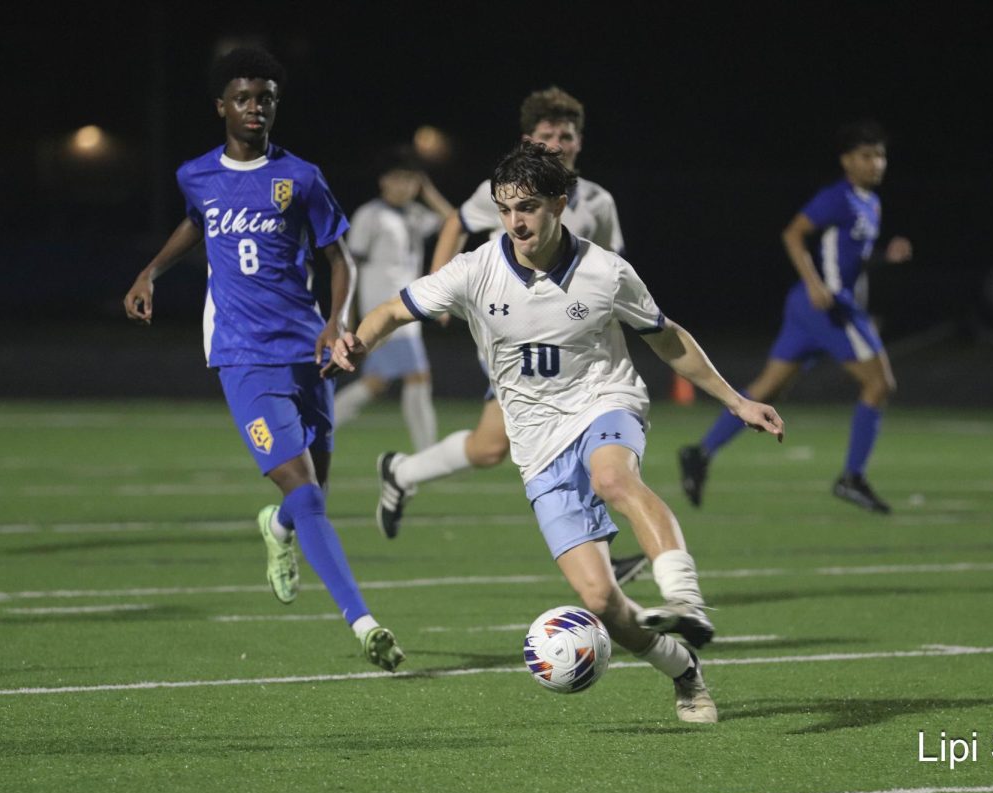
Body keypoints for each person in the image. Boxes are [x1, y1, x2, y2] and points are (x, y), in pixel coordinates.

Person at [329, 141, 785, 723]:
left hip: (604, 403)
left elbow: (666, 338)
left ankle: (686, 598)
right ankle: (683, 670)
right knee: (600, 601)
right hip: (536, 442)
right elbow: (393, 309)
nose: (516, 221)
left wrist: (737, 400)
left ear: (559, 205)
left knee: (613, 475)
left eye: (529, 208)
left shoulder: (605, 272)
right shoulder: (475, 271)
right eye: (505, 208)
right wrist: (359, 341)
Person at [121, 47, 404, 672]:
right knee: (305, 490)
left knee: (311, 501)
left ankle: (277, 530)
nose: (255, 108)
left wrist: (336, 324)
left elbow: (339, 259)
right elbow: (197, 222)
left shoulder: (300, 177)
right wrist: (152, 271)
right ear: (221, 105)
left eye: (266, 98)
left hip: (306, 350)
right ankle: (364, 623)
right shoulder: (195, 174)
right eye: (244, 98)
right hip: (242, 356)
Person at [373, 86, 645, 583]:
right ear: (529, 139)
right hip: (516, 337)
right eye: (548, 135)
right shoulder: (508, 190)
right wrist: (438, 288)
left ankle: (402, 472)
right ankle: (599, 561)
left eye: (567, 135)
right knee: (567, 433)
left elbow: (609, 271)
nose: (558, 143)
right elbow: (456, 221)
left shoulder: (599, 202)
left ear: (580, 140)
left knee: (489, 447)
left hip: (573, 347)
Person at [678, 120, 912, 513]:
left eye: (880, 155)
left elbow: (851, 256)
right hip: (828, 306)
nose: (876, 163)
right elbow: (793, 233)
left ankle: (700, 453)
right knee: (879, 383)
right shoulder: (838, 197)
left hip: (807, 306)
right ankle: (851, 477)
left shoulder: (871, 203)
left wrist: (885, 256)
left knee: (766, 389)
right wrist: (816, 283)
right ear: (847, 160)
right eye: (867, 156)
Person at [332, 146, 454, 450]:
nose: (405, 186)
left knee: (376, 384)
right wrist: (350, 315)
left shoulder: (415, 214)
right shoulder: (370, 215)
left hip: (409, 311)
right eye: (399, 179)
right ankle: (429, 453)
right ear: (383, 181)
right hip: (383, 312)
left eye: (411, 180)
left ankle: (319, 426)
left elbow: (455, 222)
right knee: (417, 376)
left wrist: (429, 191)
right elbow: (351, 266)